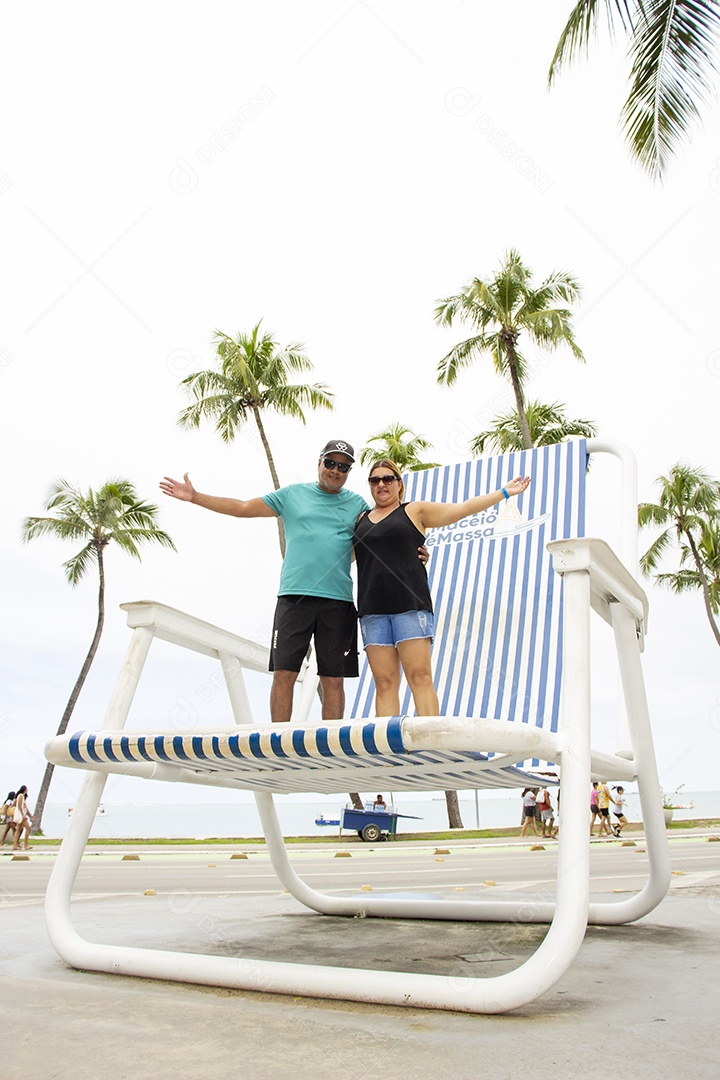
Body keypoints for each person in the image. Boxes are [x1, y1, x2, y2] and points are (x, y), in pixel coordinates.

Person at [161, 441, 426, 724]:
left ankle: (331, 749)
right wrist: (195, 496)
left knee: (333, 679)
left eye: (344, 466)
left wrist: (416, 551)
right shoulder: (292, 495)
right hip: (293, 598)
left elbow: (385, 532)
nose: (336, 470)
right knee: (284, 673)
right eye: (331, 463)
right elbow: (242, 507)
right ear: (319, 463)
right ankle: (279, 743)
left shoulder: (357, 505)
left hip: (338, 602)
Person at [352, 458, 531, 717]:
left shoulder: (415, 511)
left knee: (420, 677)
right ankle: (388, 751)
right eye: (375, 480)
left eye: (388, 479)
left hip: (410, 606)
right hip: (372, 611)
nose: (381, 484)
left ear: (399, 484)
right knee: (384, 683)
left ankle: (429, 745)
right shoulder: (360, 519)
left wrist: (503, 492)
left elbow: (463, 509)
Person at [12, 785, 33, 851]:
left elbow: (25, 807)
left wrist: (30, 816)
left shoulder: (22, 796)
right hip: (21, 816)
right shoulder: (21, 796)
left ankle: (15, 845)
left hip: (21, 815)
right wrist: (23, 815)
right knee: (28, 828)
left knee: (18, 830)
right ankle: (25, 845)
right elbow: (19, 806)